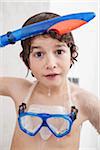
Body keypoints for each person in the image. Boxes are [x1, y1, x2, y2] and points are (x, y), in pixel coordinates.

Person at [0, 12, 99, 150]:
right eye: (39, 54)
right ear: (26, 60)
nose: (50, 64)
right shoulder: (18, 89)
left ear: (72, 54)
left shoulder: (85, 102)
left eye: (59, 52)